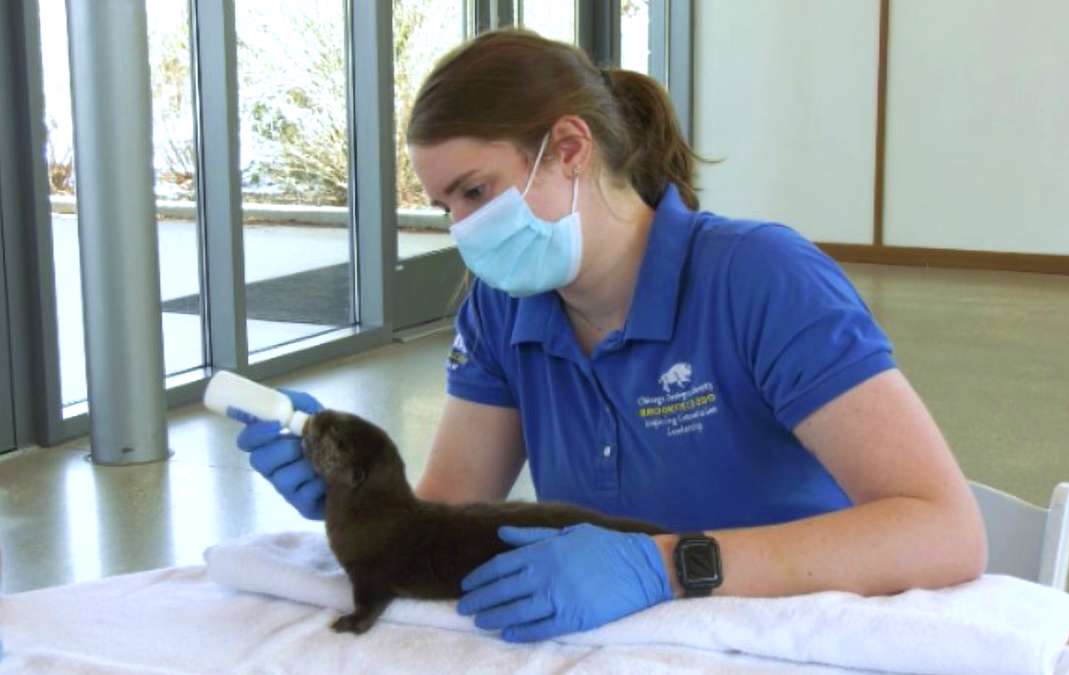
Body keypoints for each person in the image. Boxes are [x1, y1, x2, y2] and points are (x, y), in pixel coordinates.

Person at [236, 29, 987, 643]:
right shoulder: (501, 308)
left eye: (476, 191)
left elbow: (946, 530)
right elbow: (443, 517)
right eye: (445, 207)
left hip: (787, 637)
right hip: (621, 648)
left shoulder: (760, 278)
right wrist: (360, 493)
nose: (463, 229)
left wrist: (664, 566)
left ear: (570, 147)